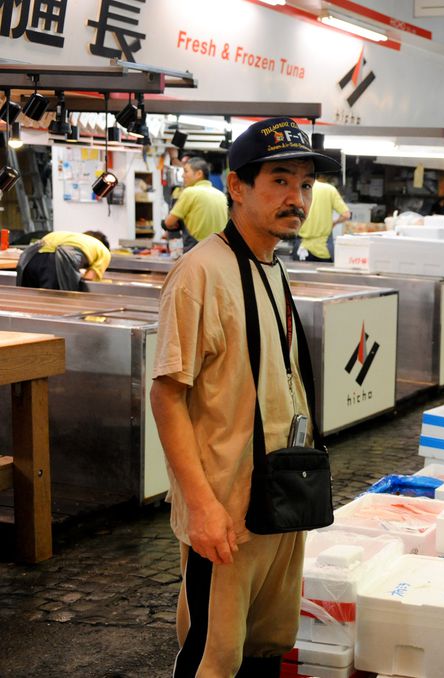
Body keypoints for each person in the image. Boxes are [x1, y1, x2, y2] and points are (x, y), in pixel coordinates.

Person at [150, 117, 340, 677]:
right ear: (237, 186)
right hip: (227, 514)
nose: (297, 198)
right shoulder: (200, 273)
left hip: (279, 500)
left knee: (266, 645)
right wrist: (203, 508)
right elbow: (167, 397)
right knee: (215, 656)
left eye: (305, 184)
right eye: (280, 180)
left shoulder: (272, 268)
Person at [163, 156, 228, 252]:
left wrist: (167, 224)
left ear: (199, 174)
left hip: (196, 251)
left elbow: (169, 222)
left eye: (186, 171)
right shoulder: (221, 196)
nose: (182, 176)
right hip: (219, 251)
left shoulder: (189, 192)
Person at [17, 230, 111, 290]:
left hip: (30, 258)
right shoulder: (104, 250)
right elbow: (89, 278)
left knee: (30, 300)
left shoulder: (73, 237)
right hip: (56, 261)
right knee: (56, 302)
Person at [295, 175, 351, 262]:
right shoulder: (329, 189)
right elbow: (346, 215)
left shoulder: (301, 188)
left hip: (302, 249)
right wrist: (333, 223)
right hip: (324, 250)